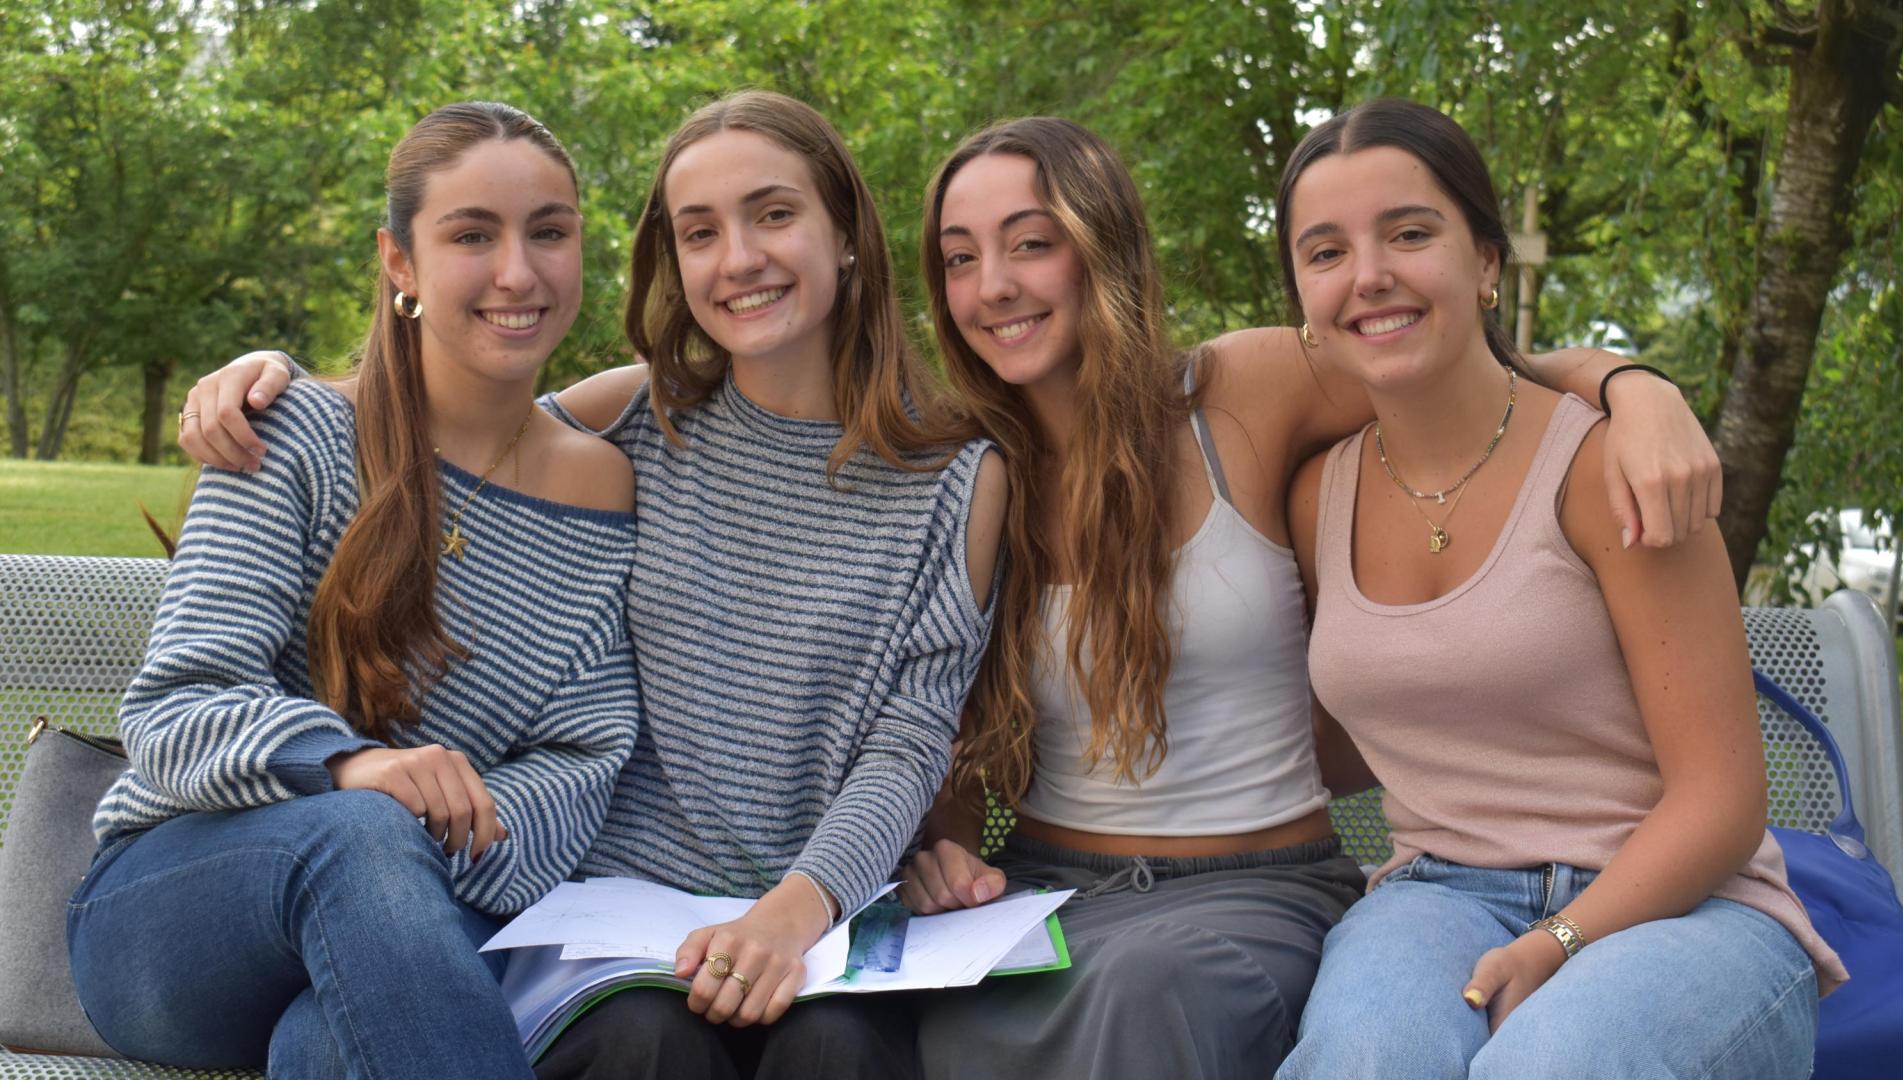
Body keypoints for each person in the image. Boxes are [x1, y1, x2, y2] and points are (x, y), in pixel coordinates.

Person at [175, 90, 1008, 1080]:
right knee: (642, 1044)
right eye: (699, 232)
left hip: (820, 912)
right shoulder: (637, 418)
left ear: (848, 235)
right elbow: (449, 422)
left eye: (775, 214)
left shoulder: (958, 481)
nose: (739, 258)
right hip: (613, 921)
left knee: (834, 1051)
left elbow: (909, 740)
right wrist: (265, 378)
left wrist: (797, 909)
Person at [900, 116, 1726, 1080]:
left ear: (1103, 248)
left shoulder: (1238, 391)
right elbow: (950, 718)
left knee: (1147, 993)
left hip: (1249, 889)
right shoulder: (962, 476)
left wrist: (1636, 388)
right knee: (930, 1028)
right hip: (1050, 886)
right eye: (960, 259)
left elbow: (1471, 366)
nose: (994, 286)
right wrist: (949, 845)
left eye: (1031, 244)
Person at [1271, 98, 1844, 1079]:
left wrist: (1559, 940)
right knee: (1366, 1060)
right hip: (1435, 896)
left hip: (1688, 906)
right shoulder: (1317, 495)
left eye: (1410, 234)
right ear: (1300, 293)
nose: (1368, 275)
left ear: (1486, 262)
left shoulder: (1613, 467)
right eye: (1326, 252)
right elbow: (1335, 746)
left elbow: (1723, 800)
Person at [68, 101, 641, 1079]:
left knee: (332, 1046)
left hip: (425, 912)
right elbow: (179, 707)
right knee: (361, 840)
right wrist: (350, 768)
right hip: (182, 915)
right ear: (399, 263)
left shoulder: (601, 489)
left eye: (550, 232)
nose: (519, 272)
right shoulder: (290, 434)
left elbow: (583, 755)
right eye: (473, 235)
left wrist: (431, 845)